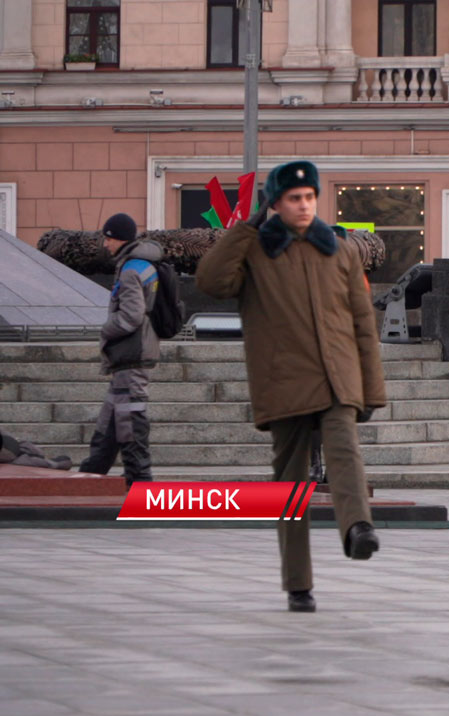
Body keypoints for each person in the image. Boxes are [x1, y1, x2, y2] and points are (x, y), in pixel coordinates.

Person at [196, 161, 386, 613]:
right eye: (293, 199)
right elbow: (211, 281)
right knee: (290, 485)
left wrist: (372, 389)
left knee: (344, 449)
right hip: (284, 381)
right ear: (275, 204)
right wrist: (246, 229)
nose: (304, 206)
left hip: (336, 375)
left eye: (309, 198)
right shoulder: (257, 252)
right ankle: (298, 583)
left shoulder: (340, 250)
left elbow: (363, 321)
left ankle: (358, 527)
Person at [79, 213, 161, 486]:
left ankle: (140, 483)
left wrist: (106, 328)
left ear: (119, 238)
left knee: (130, 421)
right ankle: (91, 476)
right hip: (132, 354)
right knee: (110, 422)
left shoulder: (130, 271)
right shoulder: (143, 265)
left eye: (108, 238)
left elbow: (131, 316)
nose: (105, 244)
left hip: (131, 354)